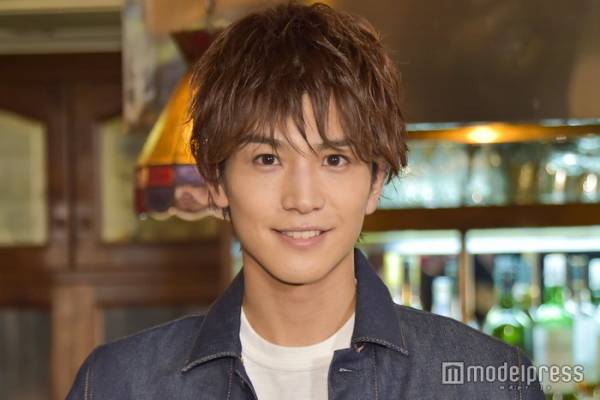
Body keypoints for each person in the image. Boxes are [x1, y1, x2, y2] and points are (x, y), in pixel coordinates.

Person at [67, 2, 544, 399]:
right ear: (216, 181)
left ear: (376, 181)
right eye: (267, 159)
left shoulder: (488, 382)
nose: (302, 198)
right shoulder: (119, 383)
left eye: (335, 159)